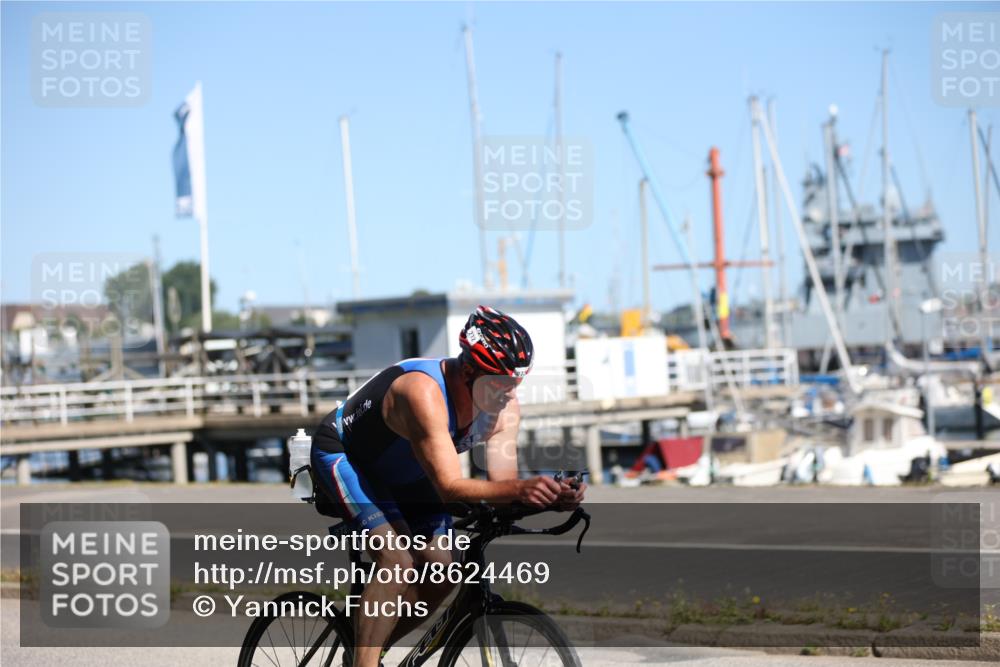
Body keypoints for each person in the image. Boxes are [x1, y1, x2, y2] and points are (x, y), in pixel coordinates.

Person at [311, 305, 586, 667]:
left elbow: (502, 485)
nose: (509, 394)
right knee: (396, 561)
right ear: (469, 370)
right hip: (346, 458)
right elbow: (449, 487)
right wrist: (522, 489)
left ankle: (369, 650)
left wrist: (551, 496)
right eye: (501, 383)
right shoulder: (422, 393)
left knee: (442, 569)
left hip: (407, 472)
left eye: (516, 384)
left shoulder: (504, 409)